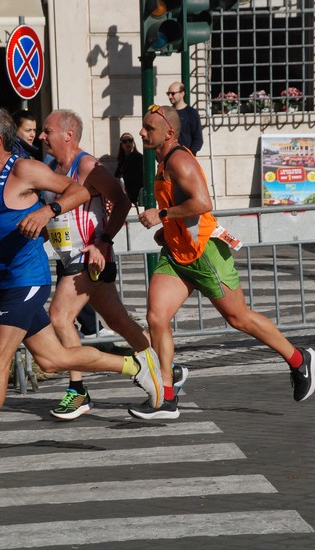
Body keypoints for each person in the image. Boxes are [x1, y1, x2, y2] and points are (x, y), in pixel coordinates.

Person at [0, 105, 163, 477]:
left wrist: (47, 211)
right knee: (53, 358)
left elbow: (77, 191)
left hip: (28, 280)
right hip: (4, 282)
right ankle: (132, 364)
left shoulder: (22, 170)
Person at [128, 104, 315, 420]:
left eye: (148, 128)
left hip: (205, 252)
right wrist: (167, 230)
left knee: (238, 318)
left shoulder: (180, 160)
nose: (142, 132)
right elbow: (180, 203)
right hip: (176, 255)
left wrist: (160, 215)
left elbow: (203, 203)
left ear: (169, 133)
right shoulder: (162, 162)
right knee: (156, 317)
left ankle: (298, 359)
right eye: (143, 126)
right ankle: (167, 397)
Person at [38, 109, 186, 420]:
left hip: (89, 256)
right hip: (68, 257)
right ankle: (165, 372)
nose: (41, 136)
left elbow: (120, 201)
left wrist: (103, 240)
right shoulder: (51, 166)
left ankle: (78, 392)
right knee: (119, 322)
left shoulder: (88, 166)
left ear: (68, 134)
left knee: (59, 317)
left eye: (47, 131)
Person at [166, 81, 203, 156]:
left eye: (173, 93)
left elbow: (198, 139)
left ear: (182, 94)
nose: (170, 96)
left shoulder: (191, 113)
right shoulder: (167, 113)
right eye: (168, 93)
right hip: (169, 157)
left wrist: (190, 155)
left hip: (186, 157)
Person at [114, 132, 144, 207]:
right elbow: (117, 176)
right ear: (121, 145)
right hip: (126, 196)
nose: (128, 143)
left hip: (136, 196)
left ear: (133, 143)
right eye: (124, 141)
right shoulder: (122, 160)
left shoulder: (139, 158)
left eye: (130, 140)